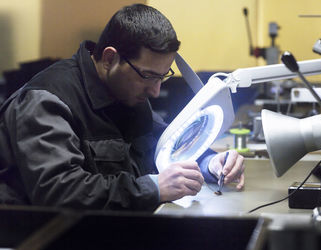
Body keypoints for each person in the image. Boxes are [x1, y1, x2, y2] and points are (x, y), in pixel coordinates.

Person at [0, 4, 245, 211]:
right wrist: (153, 189)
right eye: (148, 76)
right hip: (42, 243)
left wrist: (209, 163)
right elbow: (59, 192)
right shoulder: (46, 102)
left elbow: (166, 142)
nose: (155, 91)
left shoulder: (128, 91)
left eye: (162, 77)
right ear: (109, 59)